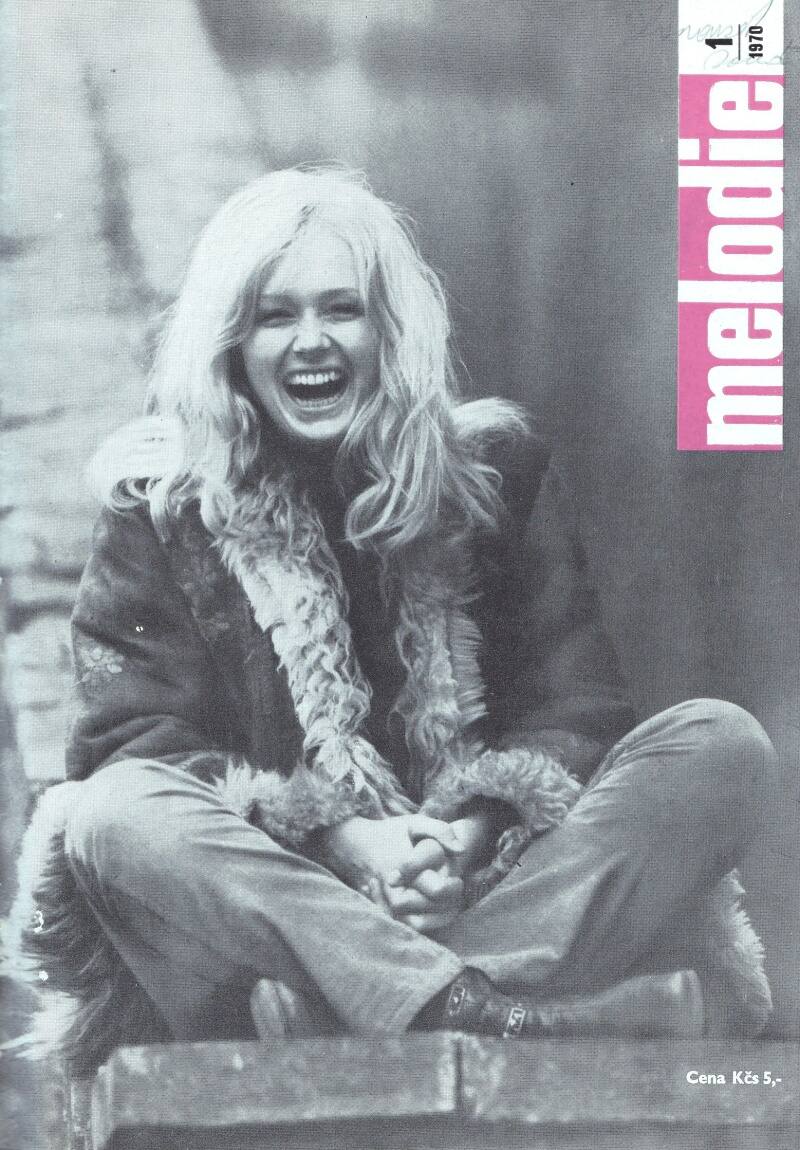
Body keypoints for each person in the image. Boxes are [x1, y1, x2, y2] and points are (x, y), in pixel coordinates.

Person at [11, 168, 777, 1071]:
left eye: (342, 309)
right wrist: (348, 842)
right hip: (284, 903)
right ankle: (492, 1009)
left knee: (720, 745)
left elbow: (577, 711)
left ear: (388, 329)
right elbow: (135, 740)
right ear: (230, 343)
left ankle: (367, 1009)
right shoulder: (164, 505)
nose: (311, 341)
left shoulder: (494, 477)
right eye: (274, 316)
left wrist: (468, 837)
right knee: (113, 814)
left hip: (490, 884)